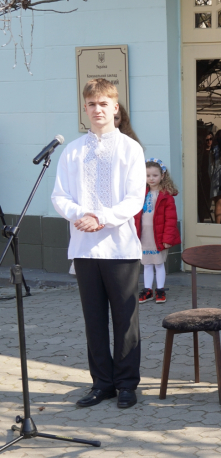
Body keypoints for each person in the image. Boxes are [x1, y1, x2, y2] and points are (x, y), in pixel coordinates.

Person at [51, 78, 146, 409]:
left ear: (115, 107)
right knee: (94, 321)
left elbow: (135, 198)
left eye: (104, 103)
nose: (97, 109)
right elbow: (59, 195)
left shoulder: (130, 148)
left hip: (120, 248)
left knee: (125, 320)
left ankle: (127, 385)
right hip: (84, 248)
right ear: (85, 108)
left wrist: (101, 218)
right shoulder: (73, 150)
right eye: (91, 104)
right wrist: (80, 214)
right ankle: (101, 383)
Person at [134, 158, 181, 304]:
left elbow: (171, 220)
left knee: (159, 263)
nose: (151, 178)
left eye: (155, 175)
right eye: (148, 175)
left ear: (162, 176)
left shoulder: (166, 196)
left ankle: (160, 290)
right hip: (144, 236)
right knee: (147, 264)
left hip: (159, 236)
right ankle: (148, 290)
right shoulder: (140, 194)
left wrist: (168, 238)